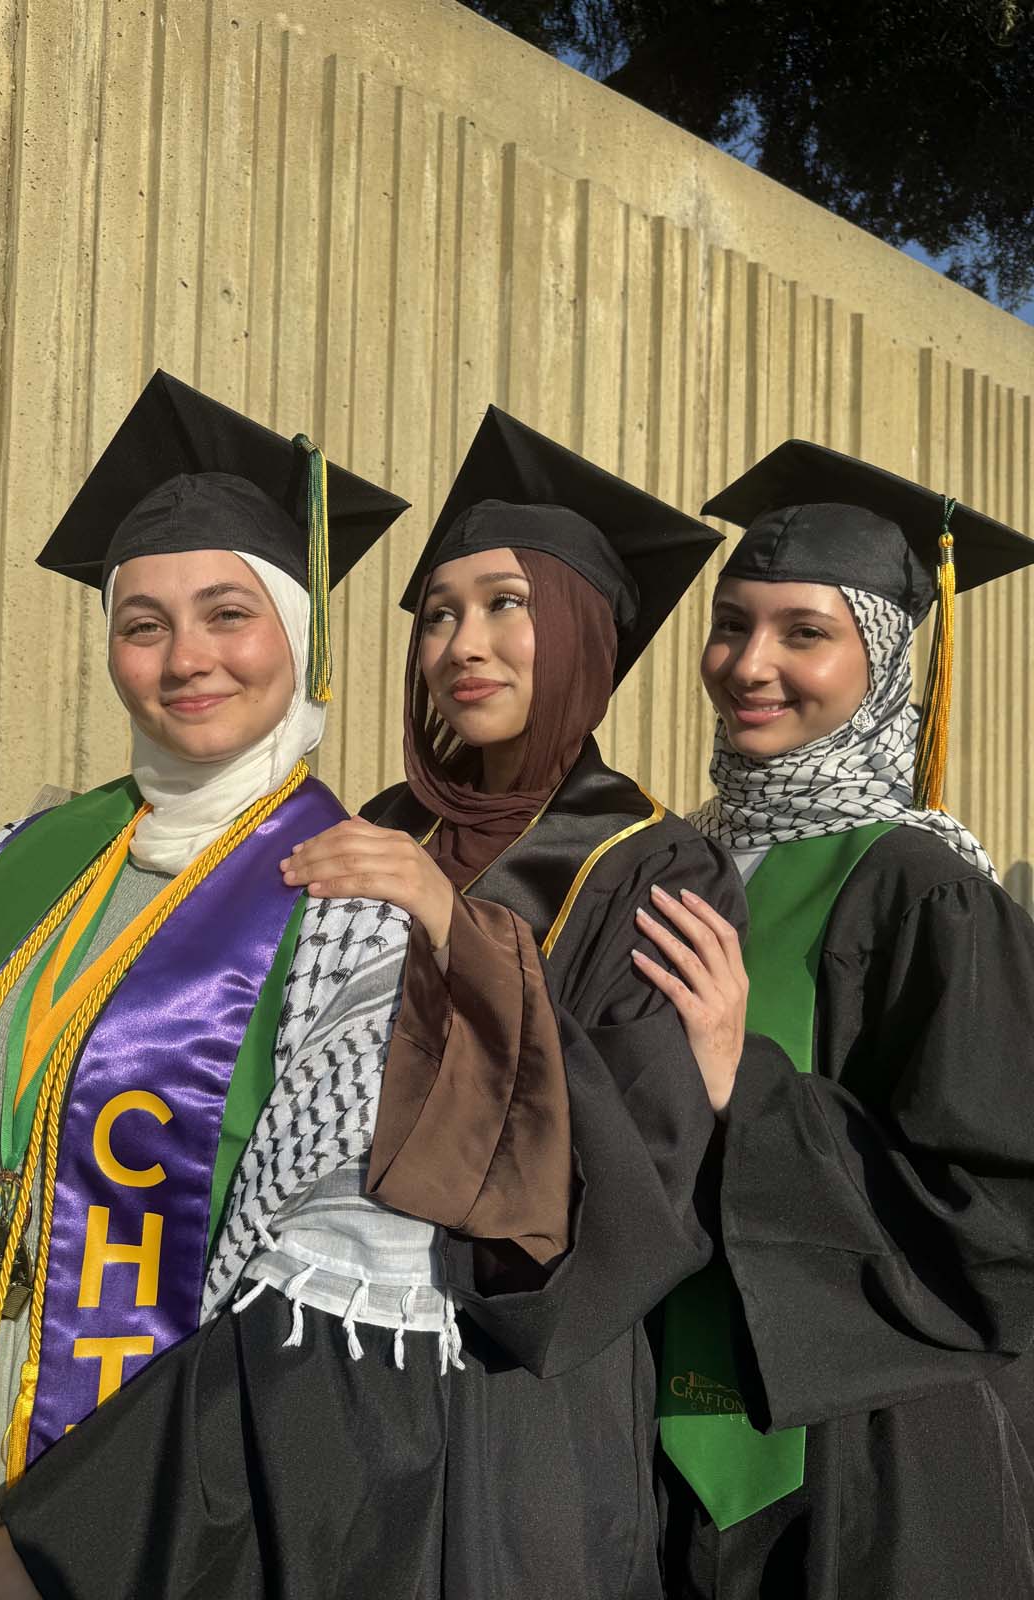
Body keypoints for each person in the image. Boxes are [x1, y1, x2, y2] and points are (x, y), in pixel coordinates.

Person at [0, 369, 416, 1598]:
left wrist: (48, 1560)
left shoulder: (350, 903)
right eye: (141, 622)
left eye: (227, 613)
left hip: (145, 1539)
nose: (183, 657)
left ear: (299, 635)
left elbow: (321, 1286)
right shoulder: (30, 859)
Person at [282, 404, 753, 1597]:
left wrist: (454, 930)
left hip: (521, 1396)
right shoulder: (370, 830)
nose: (461, 641)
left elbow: (637, 1172)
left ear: (588, 633)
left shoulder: (656, 865)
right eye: (438, 611)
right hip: (313, 1348)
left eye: (507, 604)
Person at [637, 439, 1034, 1600]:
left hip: (869, 1444)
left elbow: (1001, 1214)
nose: (751, 664)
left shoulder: (929, 888)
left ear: (886, 659)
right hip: (641, 1425)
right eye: (731, 625)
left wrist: (741, 1085)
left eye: (804, 632)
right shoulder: (672, 860)